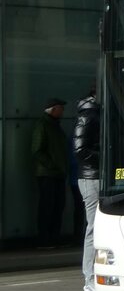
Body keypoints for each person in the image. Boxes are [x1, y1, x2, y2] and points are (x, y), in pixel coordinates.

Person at [72, 87, 100, 291]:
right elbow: (80, 150)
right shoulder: (89, 115)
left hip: (97, 176)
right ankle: (89, 277)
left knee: (97, 226)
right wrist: (104, 158)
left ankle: (94, 275)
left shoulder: (96, 114)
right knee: (94, 226)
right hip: (92, 177)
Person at [31, 97, 68, 248]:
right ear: (53, 109)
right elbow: (37, 150)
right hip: (47, 174)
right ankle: (44, 239)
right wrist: (52, 165)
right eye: (61, 108)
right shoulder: (43, 125)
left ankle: (54, 238)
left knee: (58, 206)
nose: (63, 111)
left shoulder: (55, 125)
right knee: (47, 207)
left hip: (57, 173)